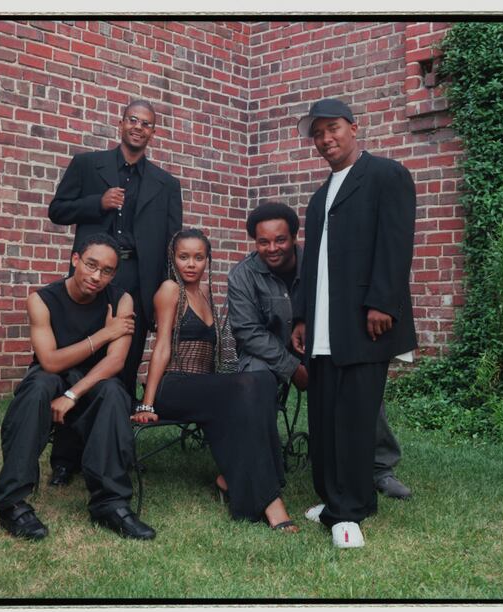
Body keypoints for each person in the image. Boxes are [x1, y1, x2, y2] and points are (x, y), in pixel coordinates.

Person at [291, 99, 417, 548]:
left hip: (366, 323)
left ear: (353, 128)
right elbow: (314, 266)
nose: (325, 139)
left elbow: (396, 242)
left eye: (332, 129)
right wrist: (302, 316)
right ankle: (331, 498)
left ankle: (351, 510)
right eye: (317, 134)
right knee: (324, 415)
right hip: (324, 328)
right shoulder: (320, 195)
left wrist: (382, 301)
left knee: (355, 417)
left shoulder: (386, 175)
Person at [227, 201, 411, 502]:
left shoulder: (320, 265)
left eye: (280, 239)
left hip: (321, 345)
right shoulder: (242, 276)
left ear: (295, 237)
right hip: (267, 353)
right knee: (252, 380)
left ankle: (380, 469)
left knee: (359, 378)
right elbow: (248, 332)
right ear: (255, 242)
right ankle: (262, 468)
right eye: (263, 241)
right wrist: (291, 367)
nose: (272, 248)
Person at [47, 99, 183, 486]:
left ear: (153, 132)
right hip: (94, 278)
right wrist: (97, 203)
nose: (139, 128)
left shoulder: (166, 184)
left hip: (139, 281)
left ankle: (112, 454)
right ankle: (64, 459)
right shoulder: (88, 166)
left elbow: (173, 244)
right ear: (121, 123)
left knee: (122, 369)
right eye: (133, 120)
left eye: (148, 124)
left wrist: (161, 301)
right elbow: (57, 210)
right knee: (80, 364)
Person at [0, 234, 155, 541]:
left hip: (90, 382)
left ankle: (110, 503)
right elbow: (50, 360)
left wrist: (72, 395)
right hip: (50, 379)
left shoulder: (122, 299)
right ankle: (11, 503)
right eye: (91, 265)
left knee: (114, 392)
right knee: (38, 386)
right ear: (75, 259)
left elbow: (115, 362)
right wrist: (105, 334)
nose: (96, 276)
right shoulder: (41, 300)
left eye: (106, 271)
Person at [132, 228, 297, 531]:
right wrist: (147, 403)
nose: (191, 264)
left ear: (208, 260)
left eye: (198, 257)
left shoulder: (206, 293)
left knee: (260, 381)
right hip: (174, 387)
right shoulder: (170, 290)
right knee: (255, 382)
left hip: (204, 390)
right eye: (184, 257)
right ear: (173, 258)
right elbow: (162, 347)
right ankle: (271, 501)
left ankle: (231, 479)